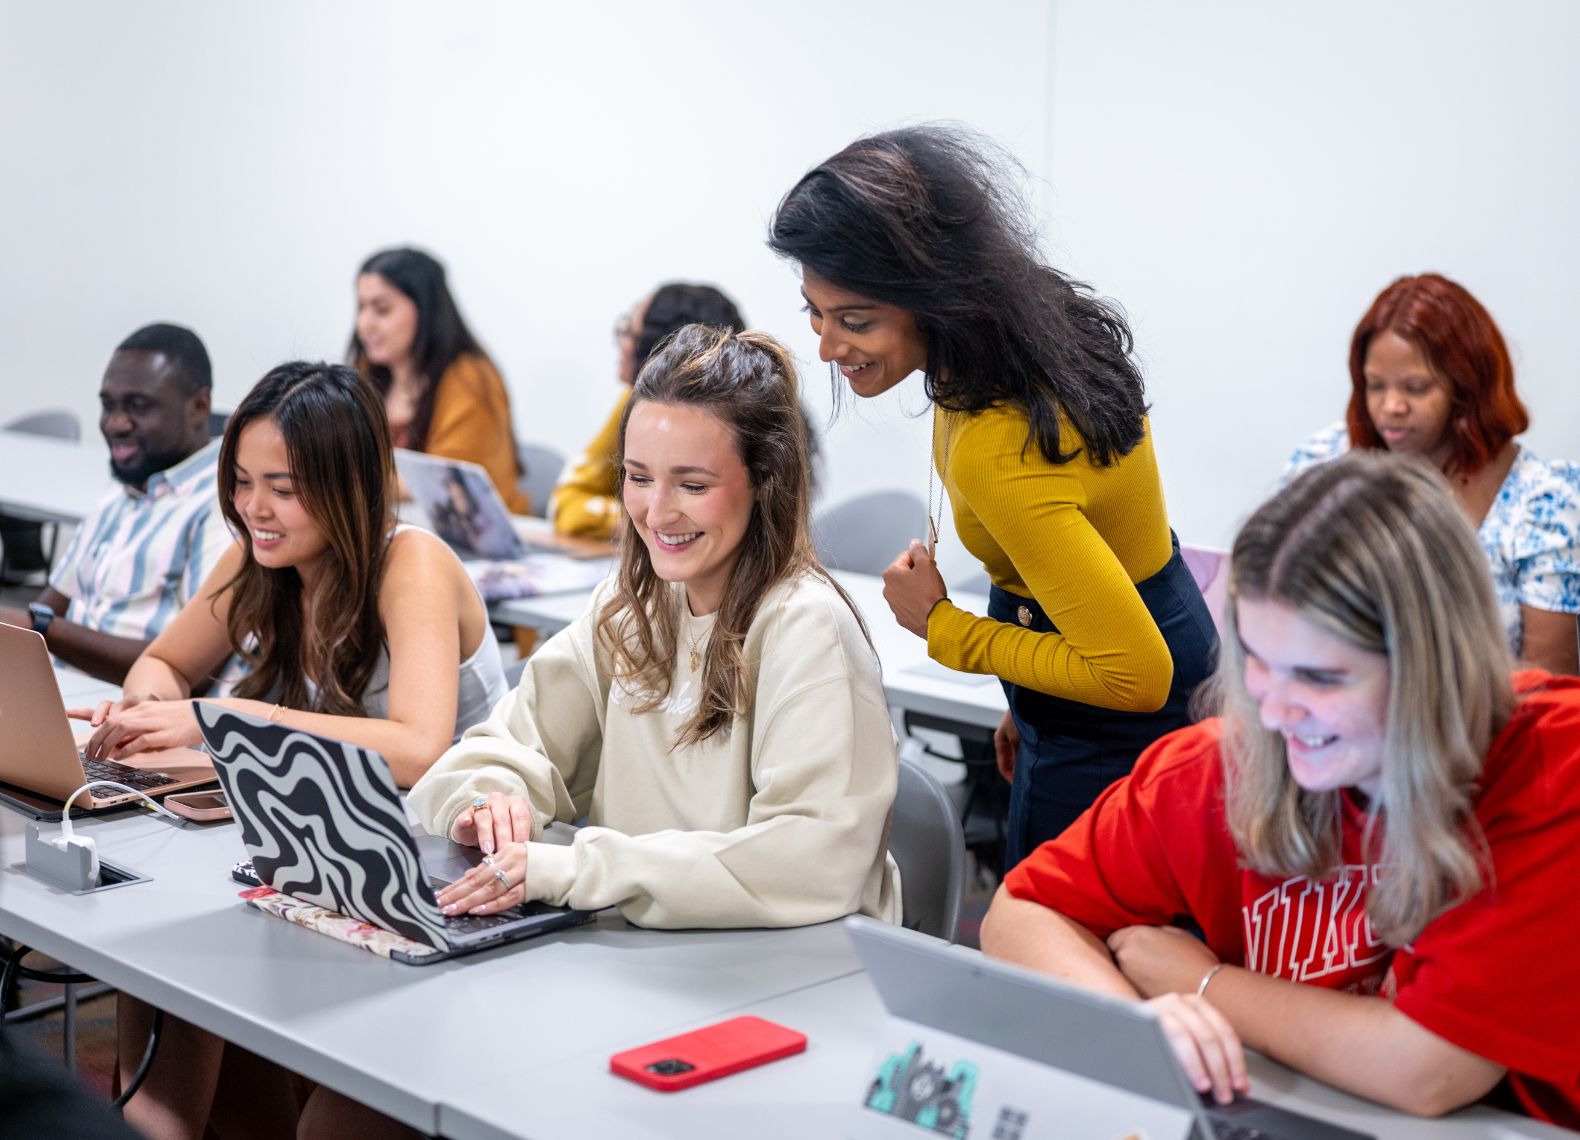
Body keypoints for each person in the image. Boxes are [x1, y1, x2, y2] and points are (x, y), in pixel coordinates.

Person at [980, 451, 1580, 1128]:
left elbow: (1431, 1069)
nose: (1273, 714)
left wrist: (1201, 986)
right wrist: (1144, 1024)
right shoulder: (1219, 764)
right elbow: (1019, 914)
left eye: (1320, 678)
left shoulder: (1555, 763)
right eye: (1259, 666)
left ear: (1435, 667)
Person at [768, 124, 1217, 868]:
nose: (825, 345)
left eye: (856, 321)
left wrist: (944, 628)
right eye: (814, 311)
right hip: (1140, 654)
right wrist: (1026, 695)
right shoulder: (1024, 330)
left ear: (931, 298)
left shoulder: (997, 444)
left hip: (1122, 720)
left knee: (1054, 954)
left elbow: (1134, 675)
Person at [79, 360, 506, 1140]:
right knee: (166, 961)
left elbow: (416, 749)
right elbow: (165, 663)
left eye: (283, 485)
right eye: (241, 481)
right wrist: (150, 711)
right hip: (324, 854)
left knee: (192, 964)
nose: (253, 509)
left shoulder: (412, 563)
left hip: (440, 873)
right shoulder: (259, 552)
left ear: (347, 485)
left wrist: (223, 719)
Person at [408, 323, 900, 929]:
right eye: (638, 478)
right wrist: (485, 800)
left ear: (765, 483)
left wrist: (580, 868)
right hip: (653, 958)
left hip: (786, 973)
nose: (657, 511)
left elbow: (811, 861)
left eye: (693, 485)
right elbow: (500, 748)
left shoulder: (807, 627)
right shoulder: (630, 603)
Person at [1284, 272, 1579, 675]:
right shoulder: (1323, 465)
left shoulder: (1541, 502)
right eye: (1374, 386)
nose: (1391, 406)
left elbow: (1552, 692)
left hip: (1485, 731)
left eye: (1415, 388)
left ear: (1467, 388)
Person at [0, 323, 228, 685]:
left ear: (200, 406)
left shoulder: (222, 504)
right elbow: (48, 608)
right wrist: (23, 629)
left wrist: (40, 628)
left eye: (138, 406)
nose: (115, 423)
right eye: (108, 405)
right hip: (62, 692)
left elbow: (193, 667)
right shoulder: (121, 491)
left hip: (128, 711)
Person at [551, 282, 747, 541]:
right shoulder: (638, 405)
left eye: (693, 486)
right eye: (640, 478)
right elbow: (567, 498)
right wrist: (637, 522)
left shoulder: (740, 415)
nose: (622, 346)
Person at [350, 246, 530, 514]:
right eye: (362, 308)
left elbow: (450, 487)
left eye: (382, 309)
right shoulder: (367, 372)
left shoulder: (470, 379)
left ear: (425, 310)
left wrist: (339, 478)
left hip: (476, 541)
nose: (365, 324)